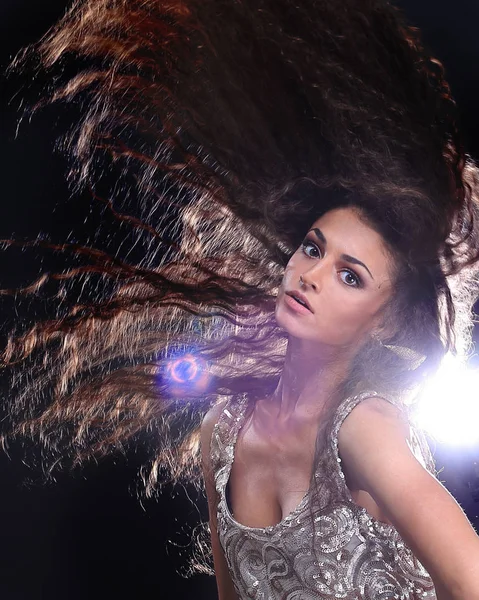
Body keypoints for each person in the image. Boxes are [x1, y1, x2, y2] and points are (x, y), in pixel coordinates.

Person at [3, 0, 479, 598]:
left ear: (386, 323)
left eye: (350, 276)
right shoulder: (224, 430)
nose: (311, 274)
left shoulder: (363, 428)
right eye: (312, 248)